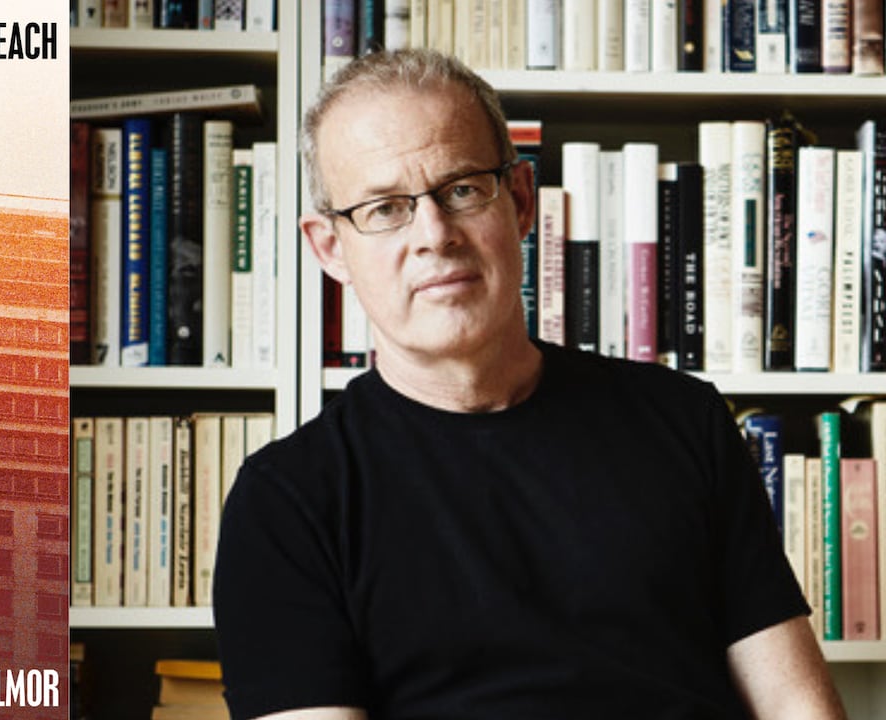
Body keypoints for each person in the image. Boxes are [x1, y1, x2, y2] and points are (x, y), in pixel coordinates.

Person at [212, 48, 846, 720]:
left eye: (461, 189)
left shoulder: (682, 417)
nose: (435, 235)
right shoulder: (285, 500)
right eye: (385, 207)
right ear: (330, 248)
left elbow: (795, 702)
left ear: (518, 201)